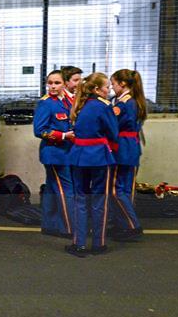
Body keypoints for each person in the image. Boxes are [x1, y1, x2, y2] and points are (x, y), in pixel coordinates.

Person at [66, 72, 119, 257]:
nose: (109, 89)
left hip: (79, 156)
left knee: (80, 201)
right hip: (99, 157)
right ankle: (99, 243)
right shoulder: (104, 106)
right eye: (106, 87)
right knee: (99, 201)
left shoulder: (80, 104)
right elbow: (113, 132)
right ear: (97, 89)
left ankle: (79, 244)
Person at [33, 70, 74, 239]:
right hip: (54, 153)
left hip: (66, 151)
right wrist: (63, 136)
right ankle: (69, 227)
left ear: (64, 84)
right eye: (50, 83)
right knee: (66, 190)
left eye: (57, 83)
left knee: (51, 188)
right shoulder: (46, 103)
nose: (52, 86)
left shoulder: (67, 101)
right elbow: (39, 130)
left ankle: (50, 225)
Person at [109, 69, 146, 241]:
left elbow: (112, 124)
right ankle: (123, 224)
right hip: (132, 147)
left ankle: (131, 225)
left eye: (114, 83)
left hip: (121, 148)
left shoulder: (123, 103)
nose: (111, 87)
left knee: (116, 189)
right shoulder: (136, 100)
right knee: (127, 189)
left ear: (122, 84)